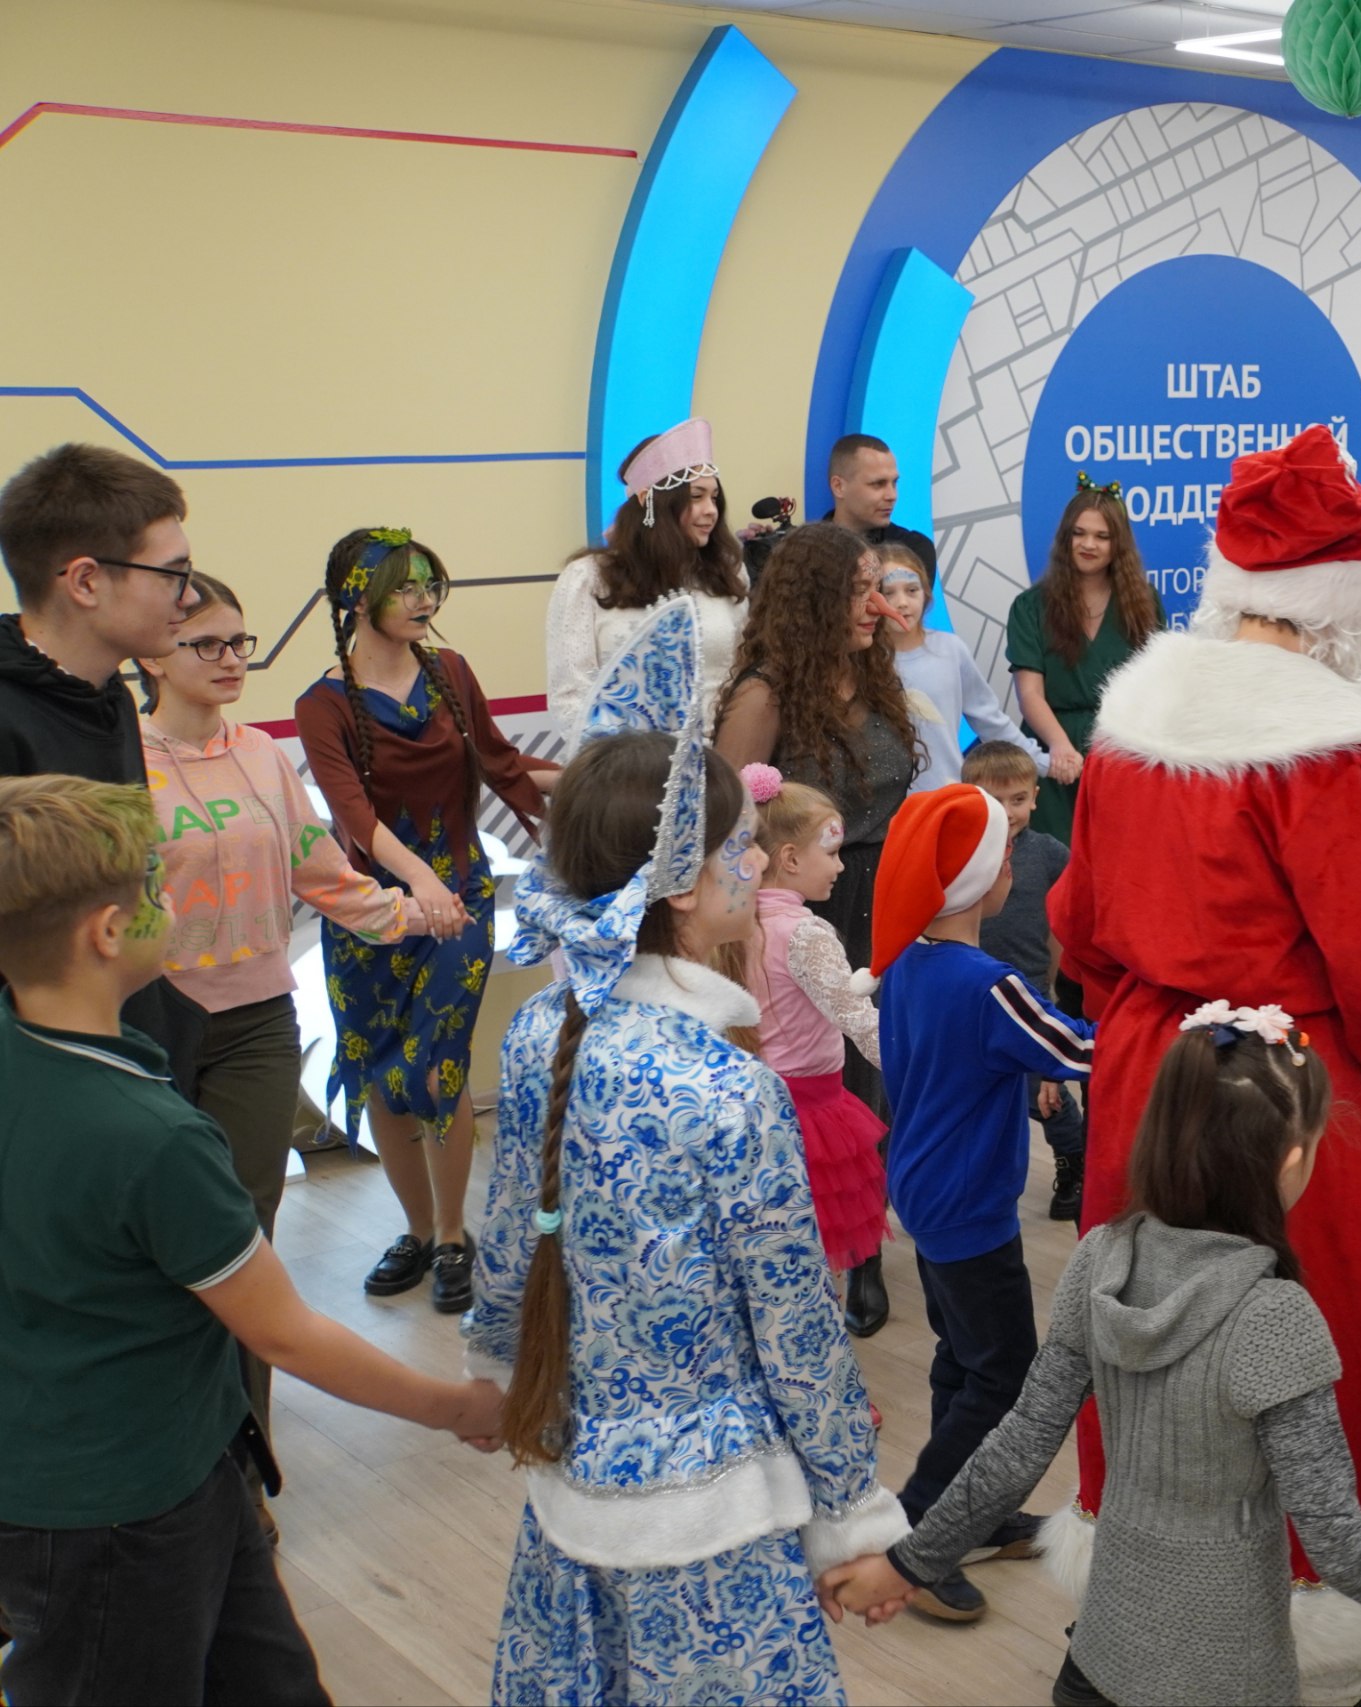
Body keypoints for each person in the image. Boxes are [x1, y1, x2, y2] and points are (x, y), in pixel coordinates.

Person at [1049, 424, 1361, 1698]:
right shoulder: (1339, 747)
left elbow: (1081, 931)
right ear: (1347, 602)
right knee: (1308, 1344)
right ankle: (1314, 1630)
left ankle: (1148, 1611)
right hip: (1285, 1096)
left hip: (1149, 1083)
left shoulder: (1132, 716)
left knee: (1145, 1340)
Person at [827, 1008, 1361, 1704]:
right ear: (1292, 1159)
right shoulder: (1276, 1317)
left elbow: (1016, 1447)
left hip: (1104, 1656)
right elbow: (1338, 1543)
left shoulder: (1098, 1260)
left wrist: (908, 1563)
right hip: (1229, 1675)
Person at [469, 605, 909, 1701]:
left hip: (573, 1484)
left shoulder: (539, 1031)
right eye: (738, 845)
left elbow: (508, 1243)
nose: (756, 858)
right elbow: (795, 1323)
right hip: (714, 1532)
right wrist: (853, 1513)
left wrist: (498, 1366)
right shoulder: (729, 1088)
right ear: (680, 882)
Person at [0, 774, 503, 1705]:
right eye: (154, 886)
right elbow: (285, 1333)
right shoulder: (152, 1138)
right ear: (107, 932)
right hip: (124, 1510)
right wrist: (457, 1406)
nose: (170, 898)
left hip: (167, 1465)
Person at [139, 573, 428, 1520]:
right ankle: (167, 1469)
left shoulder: (262, 754)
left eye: (240, 642)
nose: (232, 660)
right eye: (207, 644)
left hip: (257, 1020)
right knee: (153, 1248)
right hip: (148, 1024)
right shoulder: (116, 759)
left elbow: (320, 870)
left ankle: (242, 1473)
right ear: (153, 655)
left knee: (243, 1242)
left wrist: (408, 913)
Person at [296, 527, 556, 1314]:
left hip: (459, 902)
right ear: (356, 599)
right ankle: (415, 1229)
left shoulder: (451, 673)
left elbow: (502, 763)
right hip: (370, 912)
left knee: (437, 1067)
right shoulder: (321, 705)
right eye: (403, 586)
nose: (423, 600)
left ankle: (451, 1235)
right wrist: (415, 884)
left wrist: (596, 782)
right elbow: (353, 814)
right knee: (381, 1073)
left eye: (429, 584)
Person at [857, 783, 1096, 1624]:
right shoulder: (987, 982)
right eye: (1005, 857)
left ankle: (978, 1512)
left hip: (925, 1191)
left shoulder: (907, 964)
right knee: (1005, 1375)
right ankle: (920, 1534)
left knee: (963, 1360)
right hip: (969, 1203)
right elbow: (1078, 1048)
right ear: (981, 881)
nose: (1013, 871)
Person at [0, 442, 208, 1087]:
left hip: (131, 1042)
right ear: (86, 581)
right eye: (172, 574)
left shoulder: (108, 692)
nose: (189, 597)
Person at [716, 522, 918, 1110]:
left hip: (884, 901)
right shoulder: (765, 695)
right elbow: (724, 826)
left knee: (884, 1083)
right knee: (831, 1090)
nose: (877, 606)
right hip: (805, 918)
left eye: (877, 588)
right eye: (858, 592)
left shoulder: (873, 676)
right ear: (813, 601)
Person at [740, 765, 893, 1338]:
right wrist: (920, 1071)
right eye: (830, 853)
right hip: (810, 1115)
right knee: (815, 1261)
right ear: (788, 858)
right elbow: (859, 1020)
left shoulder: (736, 921)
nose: (841, 866)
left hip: (753, 1108)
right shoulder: (805, 935)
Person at [546, 418, 748, 742]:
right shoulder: (588, 578)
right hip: (621, 763)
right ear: (649, 501)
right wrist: (627, 762)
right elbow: (571, 696)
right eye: (696, 496)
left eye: (714, 497)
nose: (711, 510)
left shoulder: (727, 573)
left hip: (719, 759)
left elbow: (743, 676)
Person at [963, 739, 1086, 1224]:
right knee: (979, 1091)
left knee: (1046, 1093)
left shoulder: (1050, 853)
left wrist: (1056, 985)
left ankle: (1073, 1163)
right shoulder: (961, 850)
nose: (1008, 812)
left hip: (1030, 989)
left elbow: (1068, 921)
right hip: (973, 992)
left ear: (1035, 797)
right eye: (994, 800)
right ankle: (982, 1175)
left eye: (1017, 799)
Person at [1007, 484, 1165, 846]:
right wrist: (1060, 747)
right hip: (1054, 755)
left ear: (1118, 543)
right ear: (1066, 537)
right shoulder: (1030, 606)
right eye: (1079, 533)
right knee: (1055, 860)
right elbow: (1030, 694)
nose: (1088, 544)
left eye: (1101, 536)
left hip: (1122, 750)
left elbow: (1157, 686)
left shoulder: (1145, 602)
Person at [879, 544, 1049, 794]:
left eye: (912, 590)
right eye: (888, 593)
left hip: (947, 796)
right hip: (884, 805)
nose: (902, 603)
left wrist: (1041, 761)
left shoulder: (950, 649)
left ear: (926, 593)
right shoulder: (862, 659)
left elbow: (989, 719)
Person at [826, 431, 938, 575]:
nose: (892, 496)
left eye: (894, 483)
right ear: (839, 487)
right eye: (878, 484)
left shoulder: (914, 550)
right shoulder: (806, 551)